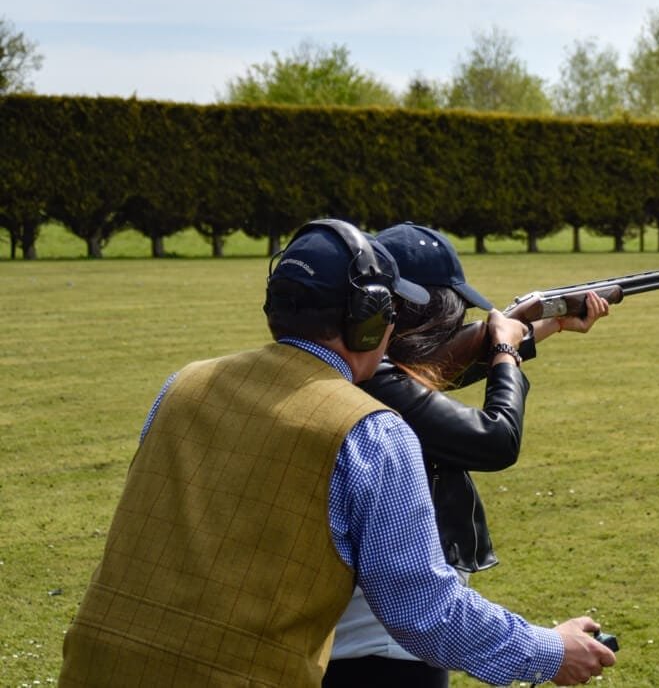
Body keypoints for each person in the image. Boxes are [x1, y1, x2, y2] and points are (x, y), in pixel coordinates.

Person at [59, 218, 616, 688]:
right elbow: (428, 613)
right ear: (369, 316)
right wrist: (550, 650)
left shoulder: (181, 386)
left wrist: (528, 333)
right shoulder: (372, 432)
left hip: (97, 667)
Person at [324, 222, 612, 688]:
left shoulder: (357, 370)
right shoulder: (381, 386)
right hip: (382, 649)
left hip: (361, 640)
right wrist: (504, 353)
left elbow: (430, 374)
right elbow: (495, 440)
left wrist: (547, 324)